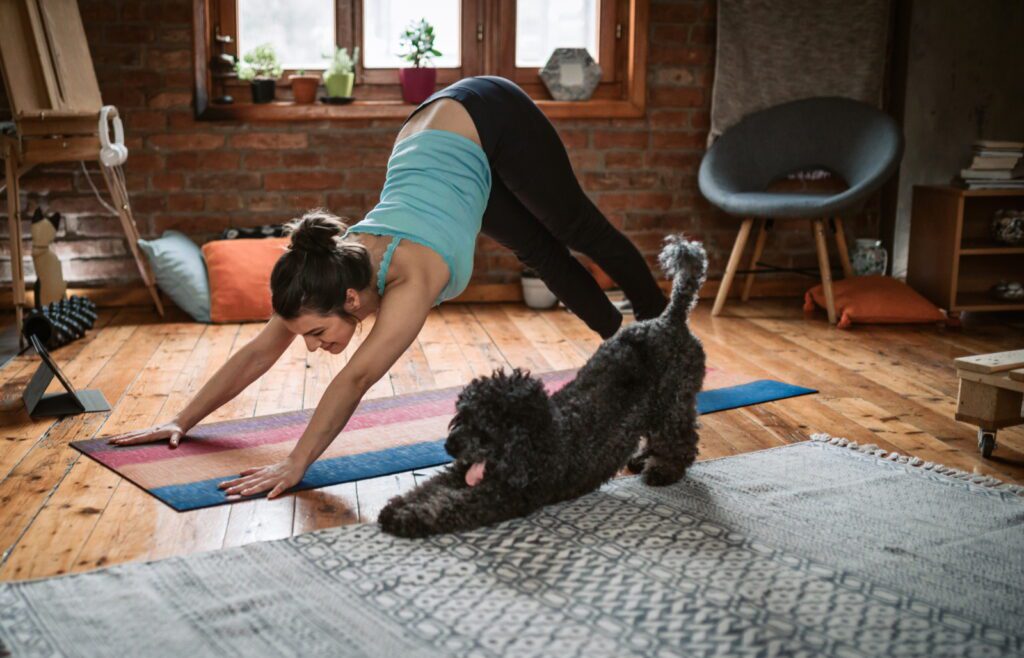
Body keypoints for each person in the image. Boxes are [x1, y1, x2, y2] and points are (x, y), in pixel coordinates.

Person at [107, 76, 667, 499]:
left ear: (351, 301)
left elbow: (355, 378)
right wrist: (183, 419)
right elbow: (260, 349)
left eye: (316, 333)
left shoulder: (411, 279)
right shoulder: (324, 277)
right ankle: (625, 340)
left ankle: (662, 329)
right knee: (538, 251)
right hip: (436, 140)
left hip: (487, 113)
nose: (310, 345)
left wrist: (296, 464)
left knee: (574, 230)